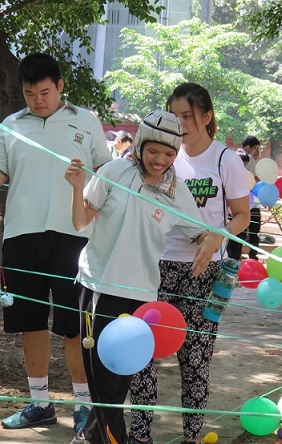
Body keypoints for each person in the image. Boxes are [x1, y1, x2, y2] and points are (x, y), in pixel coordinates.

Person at [0, 52, 113, 442]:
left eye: (44, 92)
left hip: (75, 236)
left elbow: (107, 175)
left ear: (60, 86)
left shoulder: (87, 121)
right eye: (30, 94)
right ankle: (40, 403)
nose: (38, 100)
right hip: (21, 236)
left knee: (74, 325)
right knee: (29, 320)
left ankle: (83, 405)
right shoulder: (11, 125)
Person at [65, 110, 219, 444]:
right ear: (139, 145)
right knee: (104, 385)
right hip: (99, 288)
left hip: (143, 296)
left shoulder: (176, 190)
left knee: (119, 383)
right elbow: (80, 224)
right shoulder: (114, 171)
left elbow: (200, 232)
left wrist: (213, 239)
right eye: (153, 151)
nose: (160, 159)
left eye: (168, 154)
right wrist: (78, 188)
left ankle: (88, 437)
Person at [129, 83, 251, 444]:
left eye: (187, 116)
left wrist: (219, 234)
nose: (180, 124)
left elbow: (243, 215)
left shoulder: (225, 160)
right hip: (156, 266)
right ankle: (140, 435)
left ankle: (192, 437)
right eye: (175, 115)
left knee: (196, 360)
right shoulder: (165, 155)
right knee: (142, 353)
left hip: (204, 272)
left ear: (207, 116)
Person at [226, 136, 262, 261]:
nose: (256, 151)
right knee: (242, 233)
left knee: (237, 234)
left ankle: (234, 257)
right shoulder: (247, 159)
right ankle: (237, 258)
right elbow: (256, 179)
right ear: (248, 147)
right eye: (255, 148)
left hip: (238, 206)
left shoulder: (232, 158)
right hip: (245, 205)